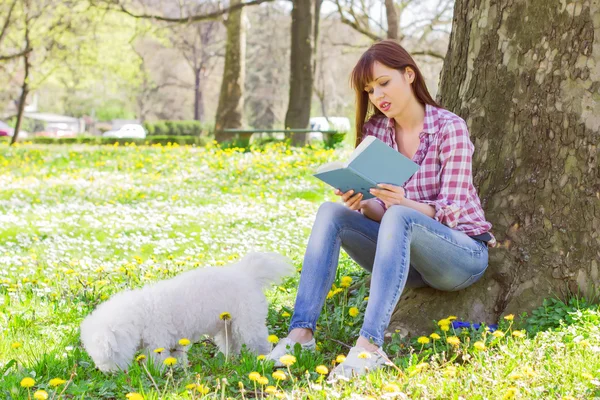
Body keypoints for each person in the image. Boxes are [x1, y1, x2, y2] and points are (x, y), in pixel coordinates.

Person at [267, 40, 495, 379]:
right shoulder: (375, 132)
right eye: (370, 90)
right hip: (407, 262)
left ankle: (369, 347)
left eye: (384, 83)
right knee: (332, 213)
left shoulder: (449, 128)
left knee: (401, 215)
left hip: (460, 255)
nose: (378, 96)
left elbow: (454, 211)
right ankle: (300, 335)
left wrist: (403, 204)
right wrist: (363, 203)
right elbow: (383, 213)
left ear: (409, 75)